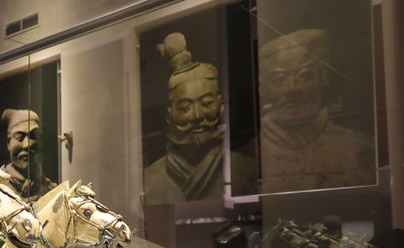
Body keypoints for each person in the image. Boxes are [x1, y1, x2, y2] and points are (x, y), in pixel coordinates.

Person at [257, 29, 374, 193]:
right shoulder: (244, 160)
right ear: (262, 88)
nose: (292, 89)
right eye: (279, 79)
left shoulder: (360, 150)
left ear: (326, 77)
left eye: (305, 75)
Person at [144, 32, 255, 204]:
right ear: (169, 115)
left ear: (221, 105)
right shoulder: (149, 181)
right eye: (185, 108)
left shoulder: (245, 170)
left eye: (206, 103)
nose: (197, 116)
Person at [0, 108, 56, 201]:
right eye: (20, 137)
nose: (27, 145)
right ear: (8, 142)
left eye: (33, 136)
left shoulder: (52, 191)